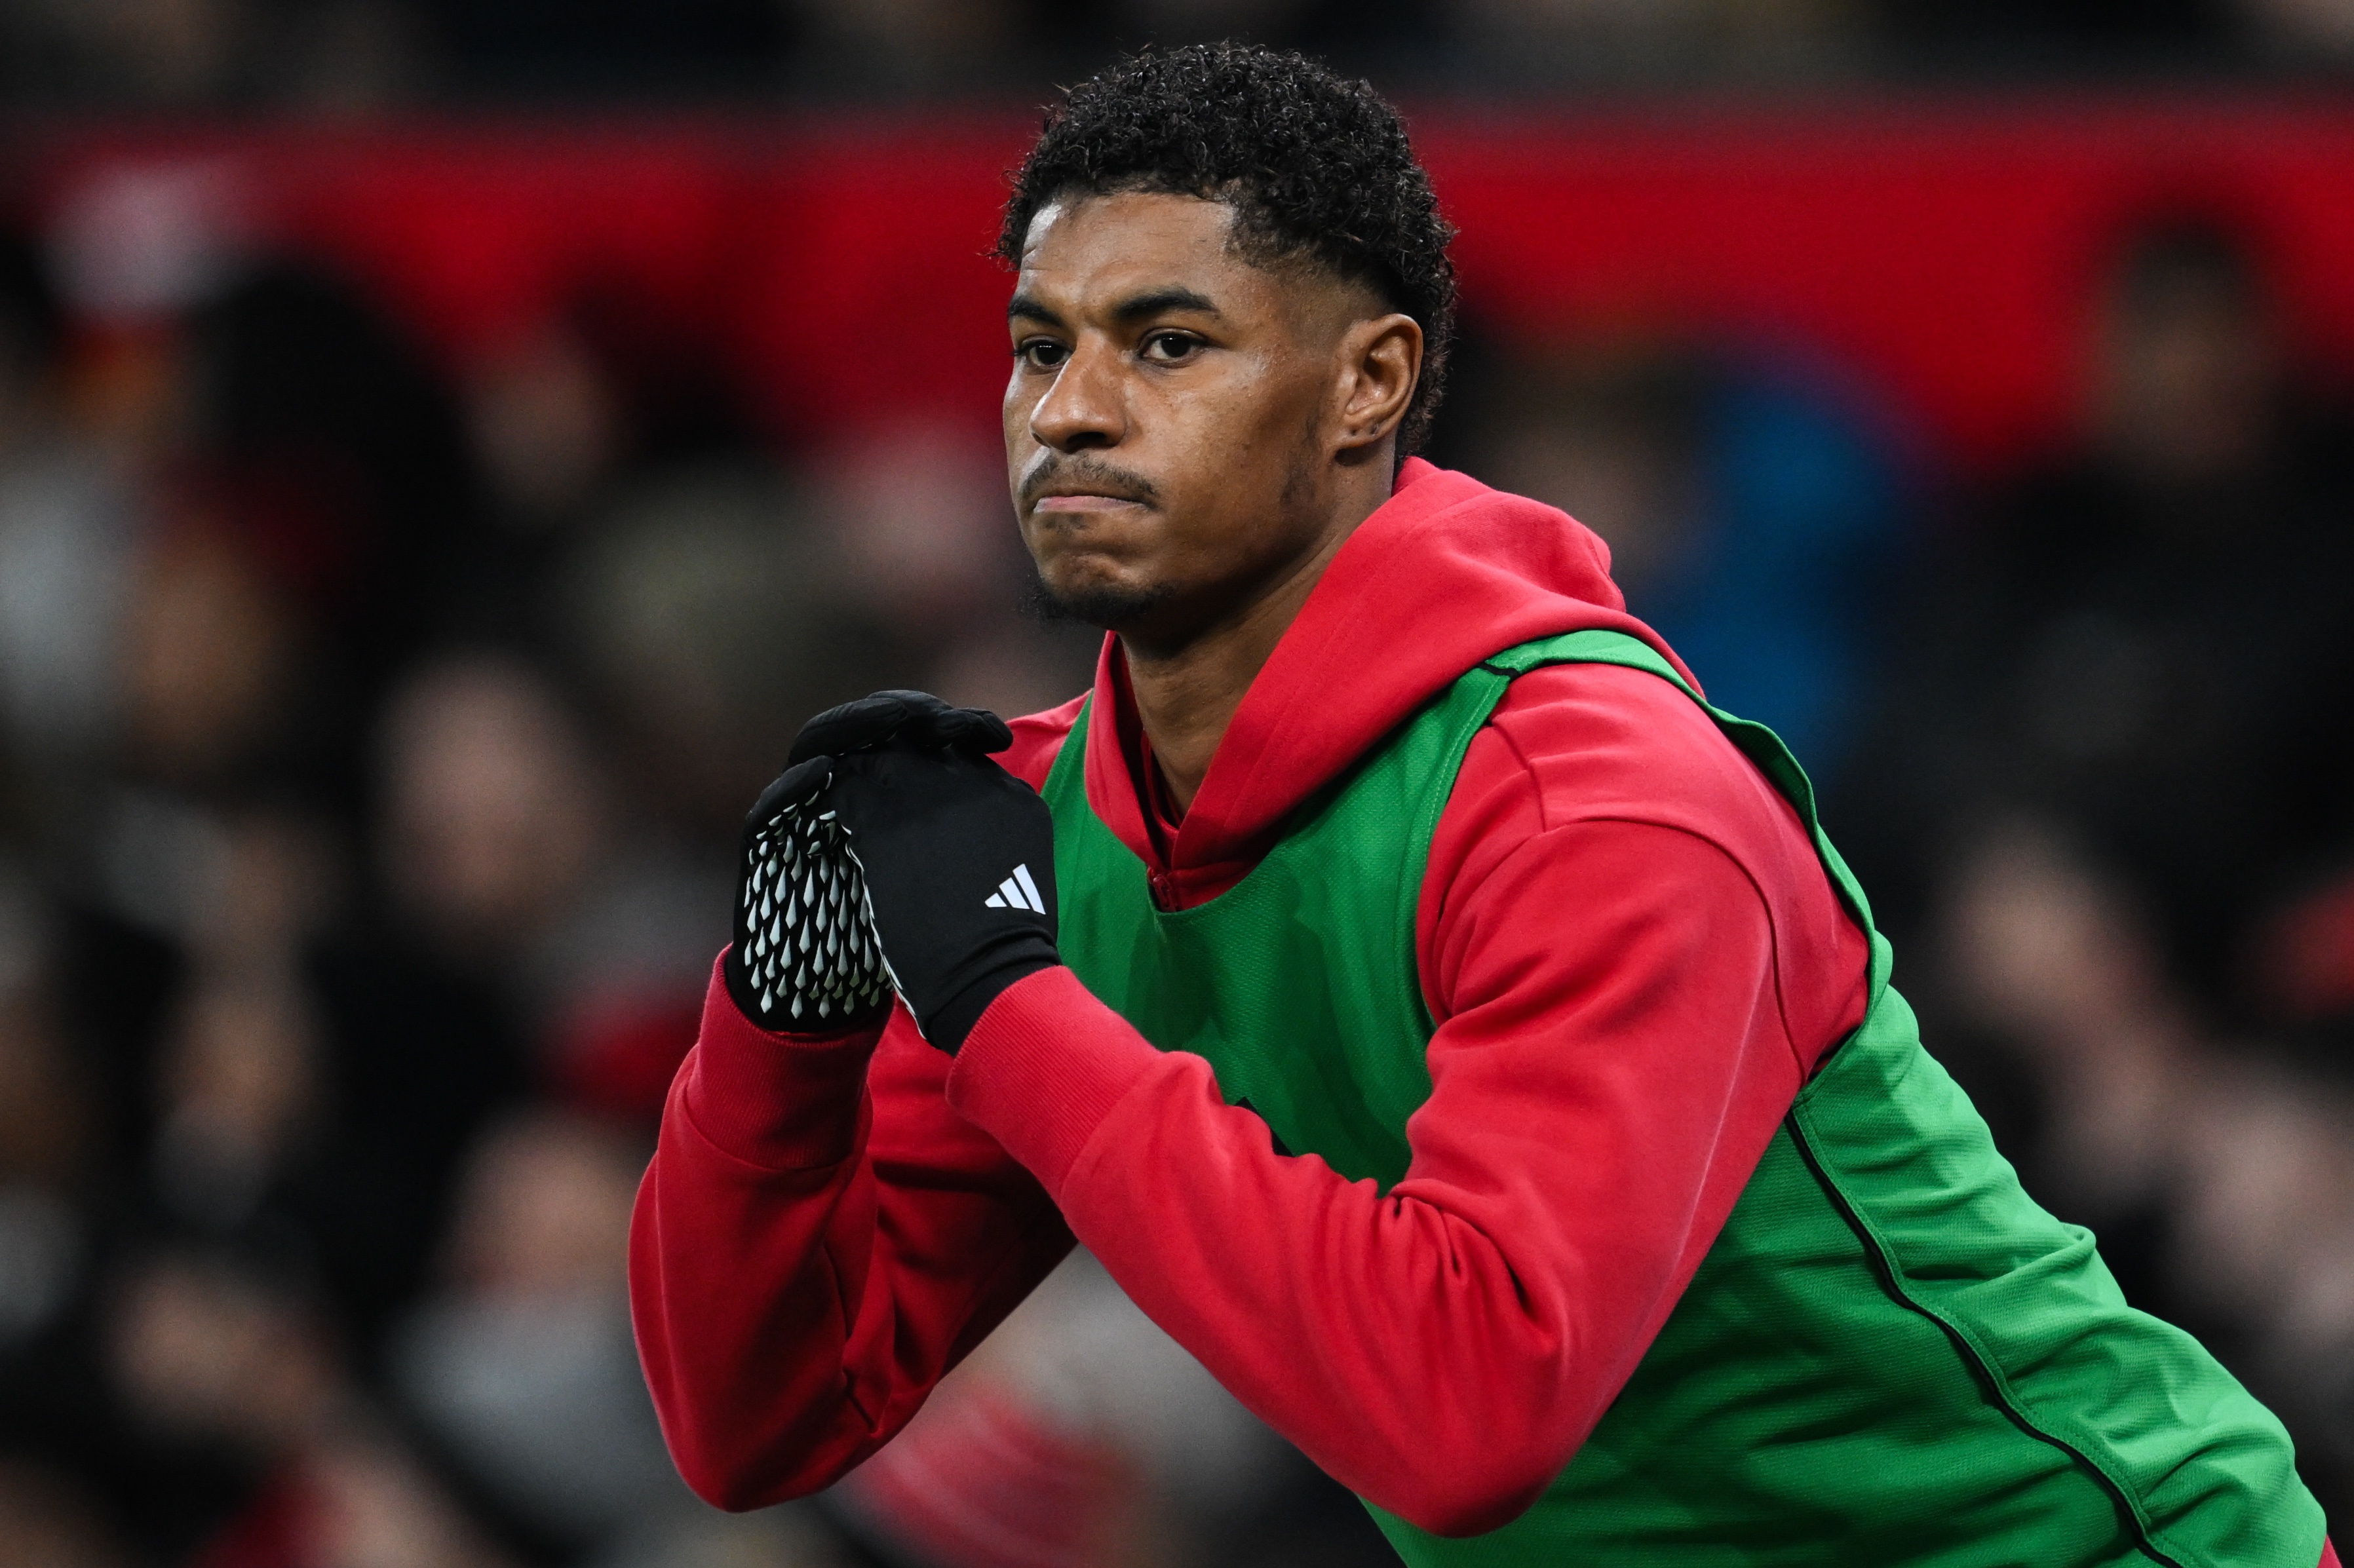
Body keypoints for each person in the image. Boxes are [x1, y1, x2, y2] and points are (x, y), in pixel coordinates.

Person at [628, 43, 2332, 1565]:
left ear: (1368, 385)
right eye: (1037, 347)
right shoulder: (1062, 834)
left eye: (1167, 343)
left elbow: (1473, 1413)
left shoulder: (1600, 803)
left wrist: (1010, 1010)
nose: (1068, 412)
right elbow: (758, 1418)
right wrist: (783, 1022)